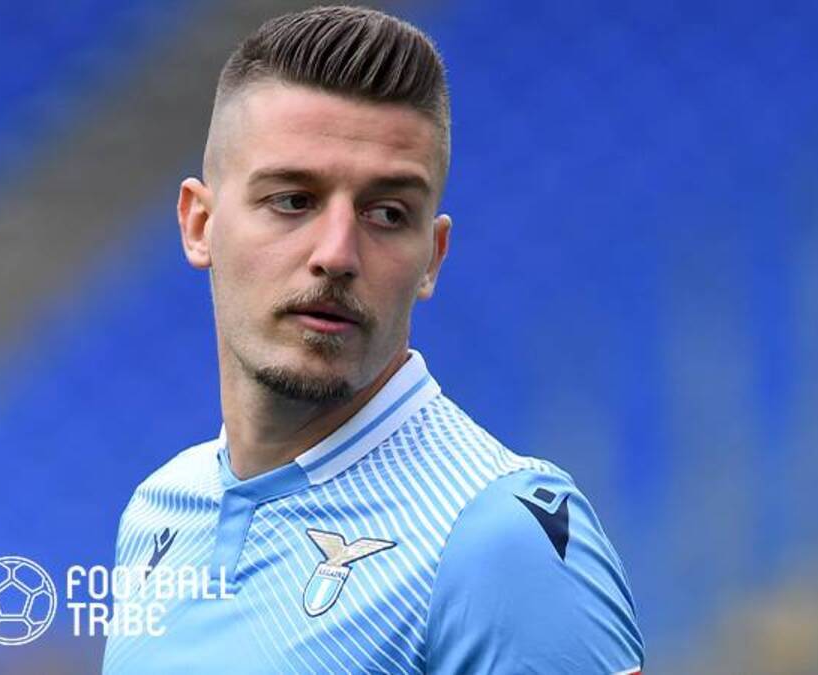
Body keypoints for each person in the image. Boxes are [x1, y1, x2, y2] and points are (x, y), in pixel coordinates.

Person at [102, 6, 643, 674]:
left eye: (387, 213)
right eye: (293, 200)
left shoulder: (497, 539)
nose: (336, 253)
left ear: (433, 258)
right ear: (199, 224)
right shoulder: (159, 511)